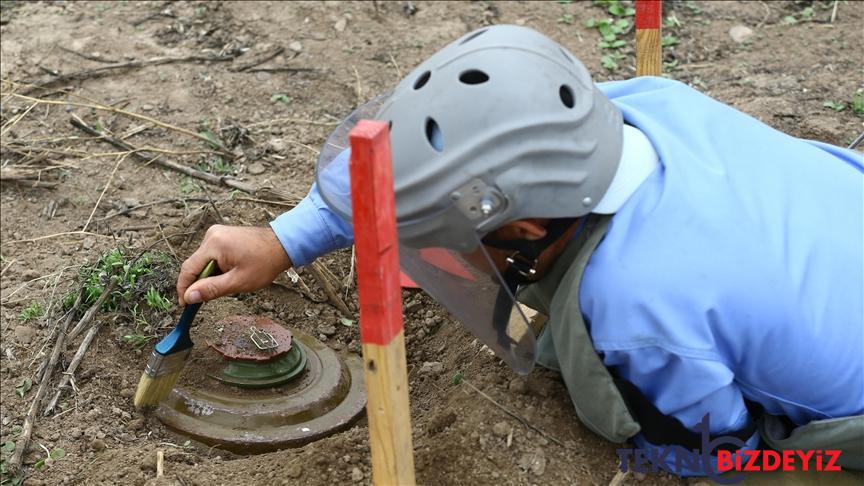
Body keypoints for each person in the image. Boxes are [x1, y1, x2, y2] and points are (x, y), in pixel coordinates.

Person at [176, 25, 863, 478]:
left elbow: (715, 451)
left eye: (447, 235)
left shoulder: (631, 309)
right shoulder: (649, 104)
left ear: (525, 228)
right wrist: (284, 239)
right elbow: (430, 157)